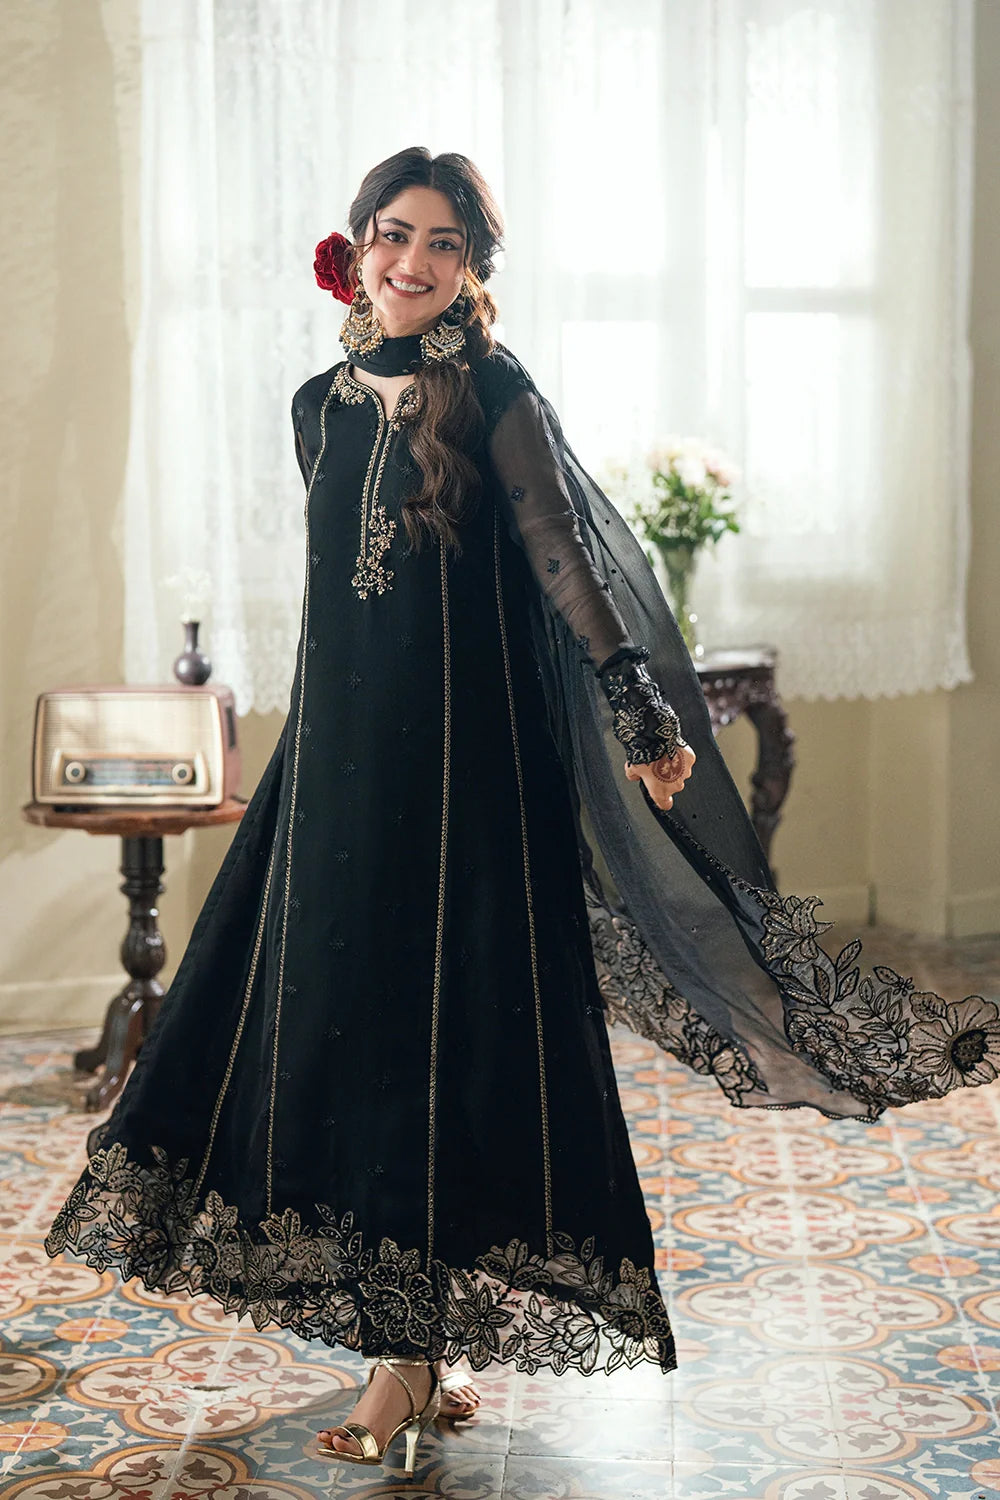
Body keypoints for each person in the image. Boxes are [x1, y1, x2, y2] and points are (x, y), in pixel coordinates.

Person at [45, 146, 1000, 1477]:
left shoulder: (495, 394)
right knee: (340, 1035)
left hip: (462, 786)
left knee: (442, 1045)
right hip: (338, 775)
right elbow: (340, 602)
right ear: (356, 246)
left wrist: (639, 708)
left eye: (442, 243)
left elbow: (560, 553)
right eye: (394, 234)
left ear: (472, 269)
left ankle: (403, 1362)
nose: (413, 262)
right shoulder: (318, 406)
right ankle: (418, 1351)